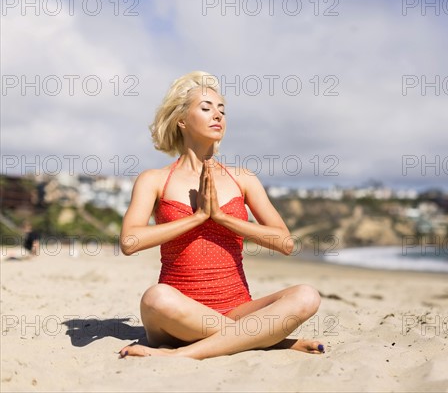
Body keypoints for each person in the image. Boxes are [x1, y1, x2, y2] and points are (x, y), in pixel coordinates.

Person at [118, 71, 323, 359]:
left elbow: (285, 243)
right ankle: (270, 340)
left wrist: (224, 219)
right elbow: (130, 242)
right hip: (176, 314)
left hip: (237, 309)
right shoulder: (154, 180)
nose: (218, 115)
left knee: (306, 295)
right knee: (155, 297)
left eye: (222, 110)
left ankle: (181, 354)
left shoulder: (242, 179)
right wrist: (199, 217)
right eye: (206, 108)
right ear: (182, 120)